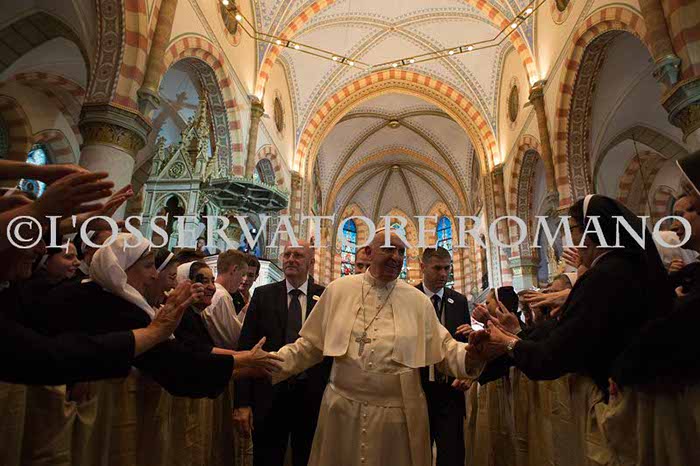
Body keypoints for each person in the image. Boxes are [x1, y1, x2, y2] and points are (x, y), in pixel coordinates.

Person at [267, 230, 488, 466]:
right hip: (342, 412)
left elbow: (445, 348)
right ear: (369, 252)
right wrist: (270, 362)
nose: (396, 257)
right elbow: (309, 347)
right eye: (389, 249)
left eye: (401, 252)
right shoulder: (338, 290)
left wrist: (472, 356)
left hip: (398, 417)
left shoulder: (418, 301)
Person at [33, 233, 281, 396]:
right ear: (120, 268)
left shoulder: (109, 299)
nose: (154, 275)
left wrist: (242, 363)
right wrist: (242, 361)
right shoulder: (111, 306)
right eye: (148, 266)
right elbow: (174, 364)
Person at [234, 240, 330, 466]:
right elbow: (246, 348)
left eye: (298, 255)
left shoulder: (325, 297)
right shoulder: (263, 295)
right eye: (287, 255)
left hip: (312, 397)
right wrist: (242, 402)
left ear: (311, 262)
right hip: (268, 394)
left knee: (307, 459)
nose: (291, 260)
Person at [416, 247, 471, 466]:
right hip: (418, 389)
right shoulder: (410, 298)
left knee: (452, 454)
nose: (443, 274)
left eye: (447, 268)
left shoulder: (459, 301)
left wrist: (466, 374)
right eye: (437, 268)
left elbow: (464, 346)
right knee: (416, 453)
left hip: (451, 391)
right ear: (422, 267)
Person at [201, 250, 249, 349]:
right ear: (234, 269)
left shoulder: (217, 293)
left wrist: (243, 312)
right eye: (242, 274)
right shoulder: (221, 296)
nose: (242, 280)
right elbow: (234, 340)